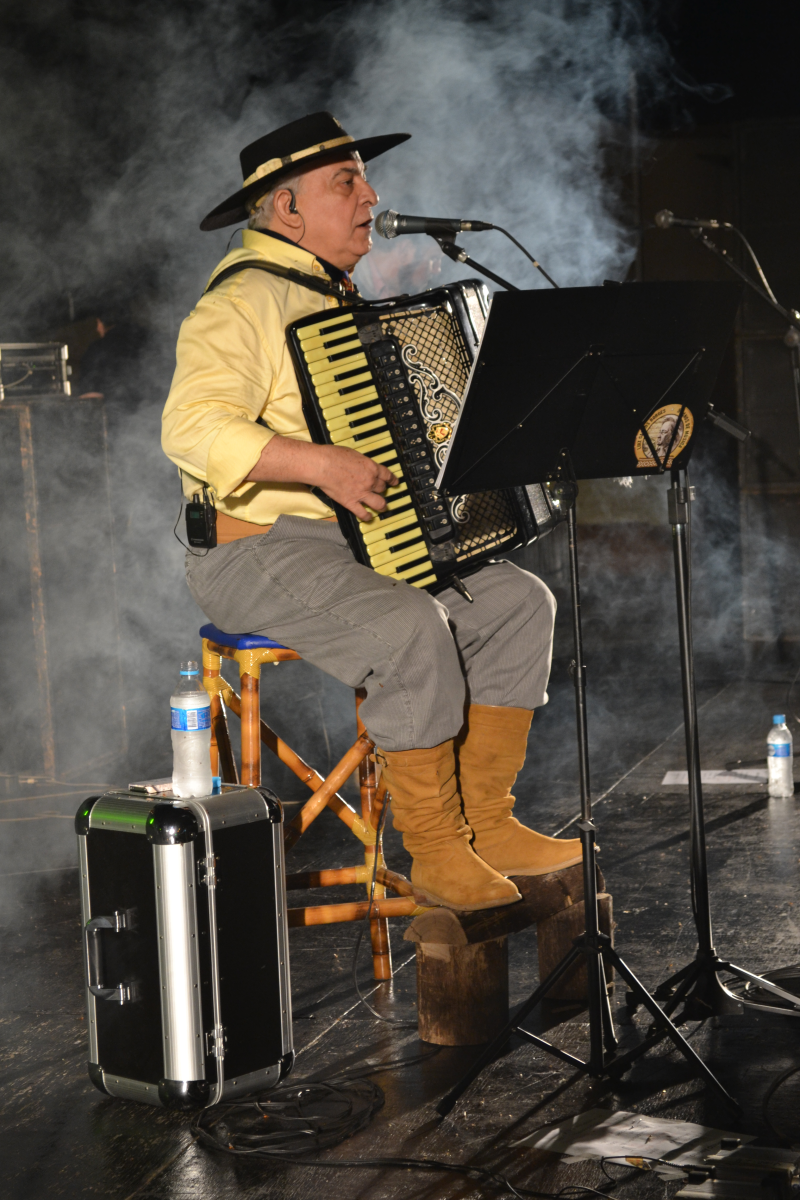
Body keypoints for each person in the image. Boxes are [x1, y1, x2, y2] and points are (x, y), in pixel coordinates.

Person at [162, 111, 580, 911]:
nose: (372, 196)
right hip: (253, 551)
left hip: (353, 544)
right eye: (346, 182)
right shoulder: (240, 301)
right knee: (413, 629)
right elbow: (189, 428)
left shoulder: (326, 293)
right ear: (286, 209)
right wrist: (319, 463)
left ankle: (487, 824)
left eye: (363, 177)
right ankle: (435, 852)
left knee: (519, 602)